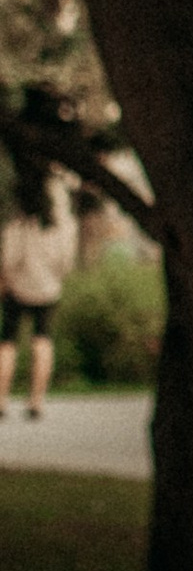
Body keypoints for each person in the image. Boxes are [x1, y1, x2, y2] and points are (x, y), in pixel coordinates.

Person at [2, 174, 78, 417]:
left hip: (17, 288)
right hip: (48, 289)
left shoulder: (17, 226)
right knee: (42, 340)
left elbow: (8, 261)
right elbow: (66, 262)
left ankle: (1, 399)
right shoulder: (62, 227)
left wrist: (9, 280)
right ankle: (36, 401)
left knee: (7, 342)